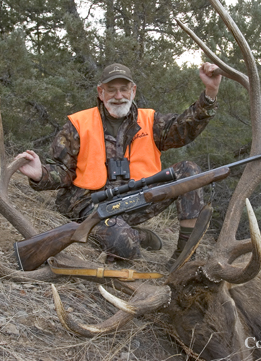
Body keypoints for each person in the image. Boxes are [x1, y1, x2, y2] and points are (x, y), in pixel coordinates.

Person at [16, 62, 221, 262]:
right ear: (100, 92)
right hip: (90, 205)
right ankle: (137, 236)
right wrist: (40, 173)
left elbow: (183, 129)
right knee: (125, 244)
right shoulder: (78, 125)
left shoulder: (150, 121)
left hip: (135, 198)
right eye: (111, 90)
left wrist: (210, 93)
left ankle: (185, 258)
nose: (118, 96)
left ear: (133, 91)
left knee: (189, 171)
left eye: (124, 89)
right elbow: (64, 170)